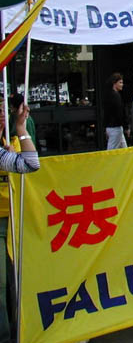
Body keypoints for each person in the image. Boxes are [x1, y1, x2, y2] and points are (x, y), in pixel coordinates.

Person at [0, 102, 40, 342]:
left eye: (1, 110)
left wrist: (21, 129)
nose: (1, 115)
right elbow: (29, 163)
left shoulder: (7, 144)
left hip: (12, 220)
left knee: (13, 285)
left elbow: (31, 162)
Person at [103, 73, 128, 150]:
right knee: (111, 150)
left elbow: (106, 113)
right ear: (114, 83)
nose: (122, 84)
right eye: (120, 82)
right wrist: (126, 126)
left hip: (111, 127)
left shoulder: (108, 95)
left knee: (124, 149)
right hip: (116, 127)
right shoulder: (116, 96)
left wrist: (106, 127)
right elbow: (120, 113)